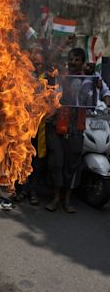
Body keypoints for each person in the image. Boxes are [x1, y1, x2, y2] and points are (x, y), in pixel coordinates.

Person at [45, 47, 89, 213]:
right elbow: (52, 98)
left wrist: (104, 97)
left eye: (77, 60)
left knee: (72, 164)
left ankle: (68, 199)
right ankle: (56, 197)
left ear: (82, 63)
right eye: (71, 59)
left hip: (76, 128)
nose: (73, 62)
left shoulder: (89, 79)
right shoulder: (59, 77)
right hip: (57, 126)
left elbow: (102, 93)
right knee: (56, 163)